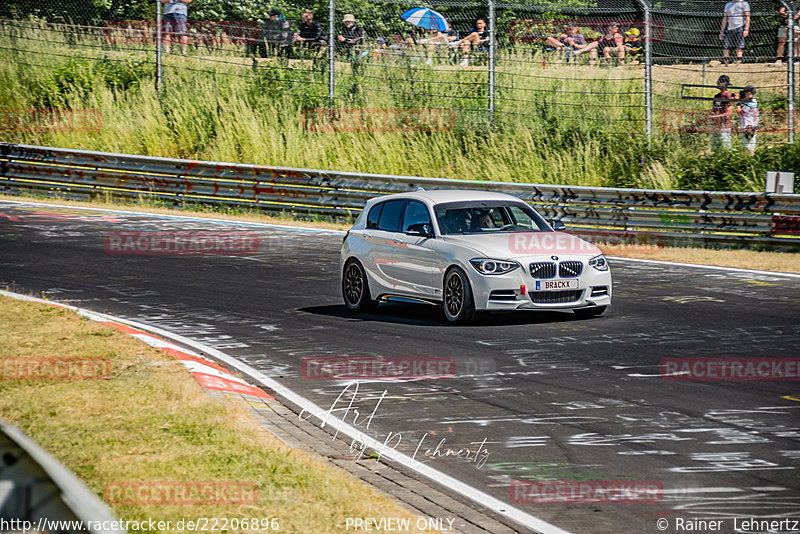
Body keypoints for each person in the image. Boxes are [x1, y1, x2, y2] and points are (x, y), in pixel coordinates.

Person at [720, 0, 750, 66]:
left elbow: (748, 17)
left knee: (739, 47)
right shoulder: (728, 4)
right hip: (729, 29)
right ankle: (726, 65)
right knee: (726, 48)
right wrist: (722, 31)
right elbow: (725, 18)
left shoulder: (744, 3)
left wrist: (746, 29)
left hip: (740, 27)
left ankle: (738, 65)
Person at [709, 75, 734, 150]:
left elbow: (728, 113)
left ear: (725, 83)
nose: (717, 83)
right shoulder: (716, 96)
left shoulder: (728, 96)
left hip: (724, 124)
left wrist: (714, 117)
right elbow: (714, 110)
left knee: (726, 146)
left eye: (719, 82)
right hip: (715, 124)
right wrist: (712, 115)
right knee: (715, 146)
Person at [737, 85, 758, 154]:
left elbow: (740, 112)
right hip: (753, 124)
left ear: (749, 93)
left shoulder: (750, 103)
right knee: (752, 143)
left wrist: (738, 103)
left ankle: (749, 157)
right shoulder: (754, 101)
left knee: (746, 143)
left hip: (747, 124)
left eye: (745, 93)